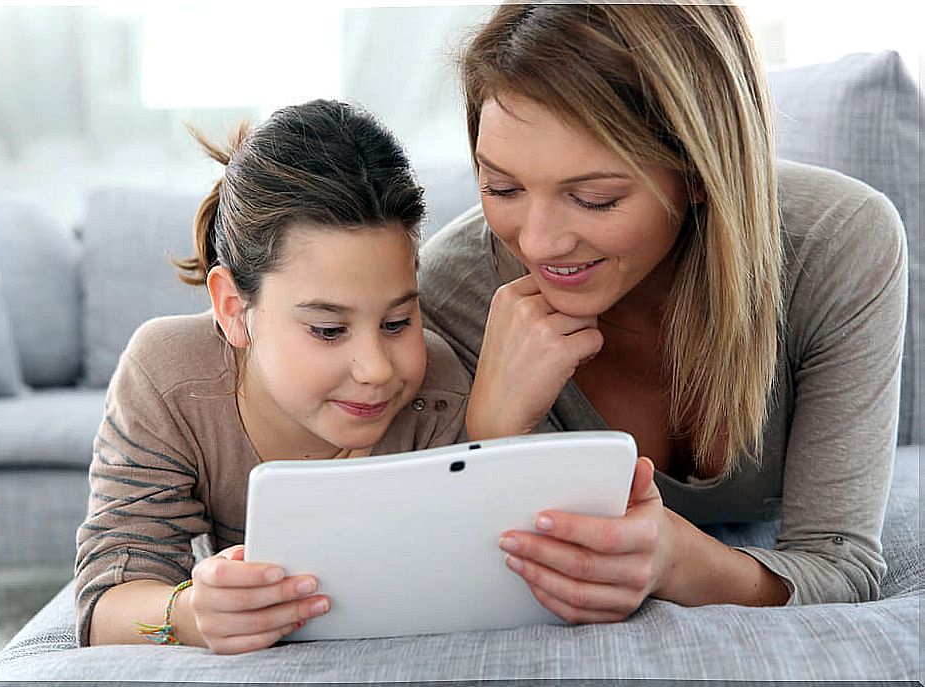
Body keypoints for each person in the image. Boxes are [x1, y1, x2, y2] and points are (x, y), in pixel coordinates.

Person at [419, 1, 907, 622]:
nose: (538, 243)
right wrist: (491, 435)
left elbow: (838, 563)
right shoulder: (455, 290)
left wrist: (678, 561)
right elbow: (466, 567)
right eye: (502, 187)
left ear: (701, 171)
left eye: (594, 198)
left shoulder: (840, 243)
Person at [76, 99, 470, 654]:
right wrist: (189, 614)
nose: (378, 369)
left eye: (398, 321)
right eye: (329, 329)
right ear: (235, 309)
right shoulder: (168, 378)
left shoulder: (441, 392)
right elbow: (104, 607)